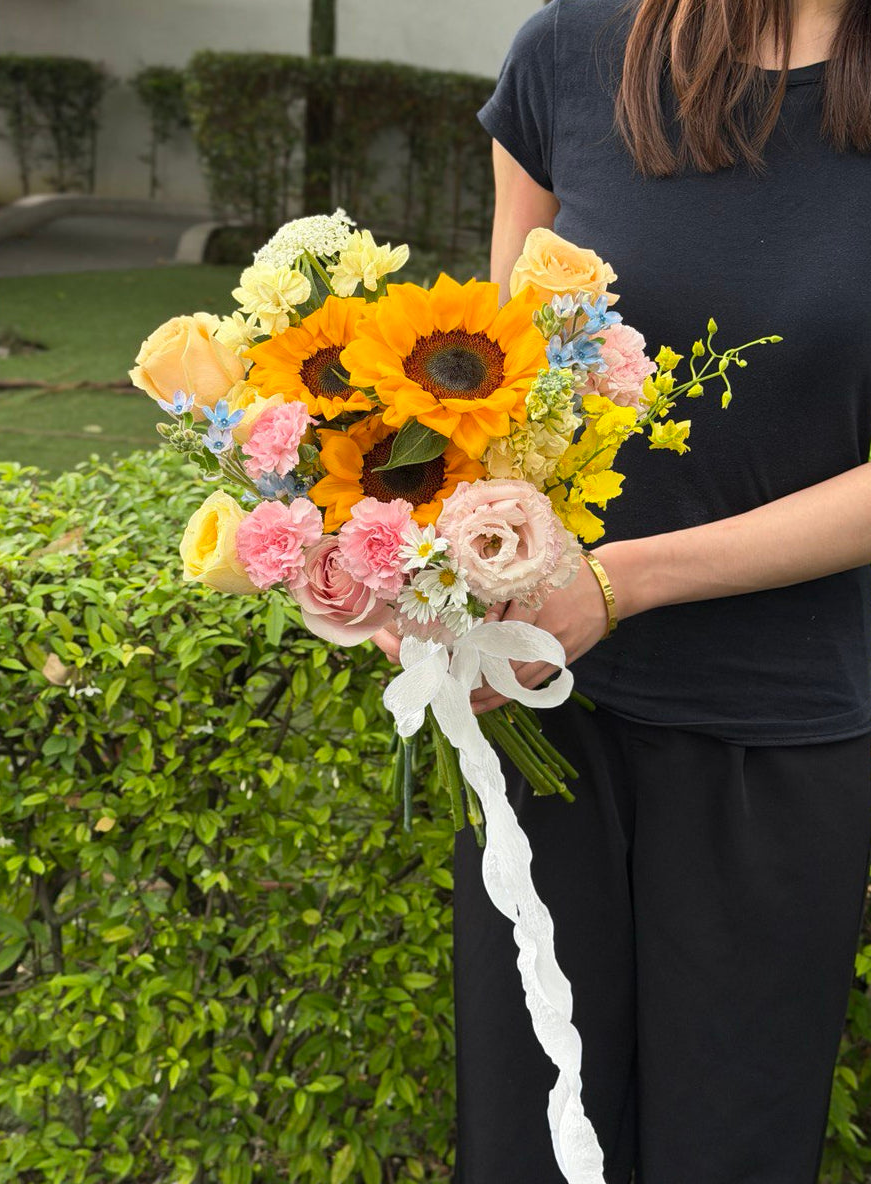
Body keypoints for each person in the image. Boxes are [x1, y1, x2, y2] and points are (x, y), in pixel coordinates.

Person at [373, 0, 871, 1179]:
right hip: (547, 722)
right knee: (533, 1145)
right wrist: (434, 587)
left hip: (781, 745)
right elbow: (496, 400)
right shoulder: (569, 55)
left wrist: (620, 581)